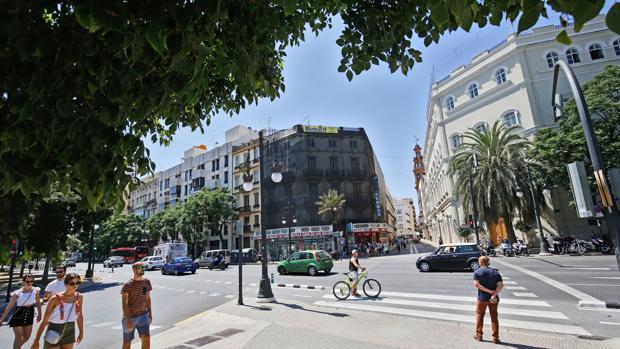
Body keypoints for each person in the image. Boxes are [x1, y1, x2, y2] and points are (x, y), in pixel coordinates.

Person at [30, 272, 84, 349]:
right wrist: (36, 340)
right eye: (72, 283)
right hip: (54, 330)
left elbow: (79, 315)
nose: (75, 286)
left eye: (77, 283)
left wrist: (81, 332)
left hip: (70, 330)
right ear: (66, 284)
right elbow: (45, 320)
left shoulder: (79, 297)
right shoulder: (55, 299)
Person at [0, 275, 42, 349]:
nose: (30, 283)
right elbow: (9, 306)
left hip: (29, 314)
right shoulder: (17, 293)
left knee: (27, 337)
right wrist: (2, 319)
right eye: (27, 281)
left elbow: (38, 302)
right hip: (18, 315)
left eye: (31, 281)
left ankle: (17, 347)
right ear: (23, 282)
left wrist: (40, 314)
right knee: (18, 337)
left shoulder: (36, 290)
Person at [121, 262, 152, 349]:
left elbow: (147, 298)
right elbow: (124, 304)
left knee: (146, 338)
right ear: (134, 270)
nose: (143, 269)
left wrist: (150, 313)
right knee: (127, 342)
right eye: (140, 268)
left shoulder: (146, 283)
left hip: (143, 315)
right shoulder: (127, 285)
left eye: (143, 267)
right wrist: (127, 320)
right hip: (130, 317)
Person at [473, 256, 503, 344]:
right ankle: (495, 338)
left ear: (481, 263)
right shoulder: (495, 272)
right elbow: (500, 285)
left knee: (480, 315)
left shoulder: (477, 272)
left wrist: (489, 291)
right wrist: (494, 293)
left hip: (482, 299)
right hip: (493, 299)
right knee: (494, 317)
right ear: (488, 262)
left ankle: (479, 335)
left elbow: (476, 285)